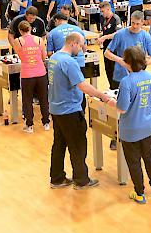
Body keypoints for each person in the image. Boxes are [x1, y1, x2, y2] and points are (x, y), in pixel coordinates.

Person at [48, 32, 115, 190]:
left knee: (59, 144)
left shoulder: (54, 58)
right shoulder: (69, 62)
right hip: (69, 110)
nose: (83, 48)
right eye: (81, 44)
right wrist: (103, 97)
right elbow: (83, 85)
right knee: (78, 146)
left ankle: (56, 178)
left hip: (56, 109)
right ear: (73, 43)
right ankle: (81, 180)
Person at [114, 45, 151, 203]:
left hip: (130, 130)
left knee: (134, 161)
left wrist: (111, 102)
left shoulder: (126, 82)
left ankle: (139, 193)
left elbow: (122, 108)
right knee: (150, 156)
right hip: (148, 126)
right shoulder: (150, 77)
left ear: (127, 63)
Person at [12, 20, 50, 133]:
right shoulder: (39, 40)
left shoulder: (17, 41)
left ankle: (29, 126)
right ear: (30, 28)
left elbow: (20, 56)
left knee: (27, 100)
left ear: (20, 30)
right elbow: (44, 56)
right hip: (41, 73)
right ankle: (46, 123)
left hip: (27, 74)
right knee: (44, 99)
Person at [104, 11, 151, 89]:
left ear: (142, 22)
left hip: (138, 77)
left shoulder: (145, 36)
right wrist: (120, 61)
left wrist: (143, 64)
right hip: (120, 76)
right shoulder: (120, 34)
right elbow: (107, 53)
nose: (135, 26)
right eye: (133, 23)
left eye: (137, 24)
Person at [96, 2, 122, 89]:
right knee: (108, 69)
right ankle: (111, 87)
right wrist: (100, 35)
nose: (102, 13)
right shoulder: (103, 19)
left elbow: (118, 33)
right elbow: (105, 30)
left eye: (103, 11)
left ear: (108, 9)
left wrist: (105, 37)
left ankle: (116, 88)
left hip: (115, 49)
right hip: (106, 48)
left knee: (114, 70)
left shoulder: (116, 19)